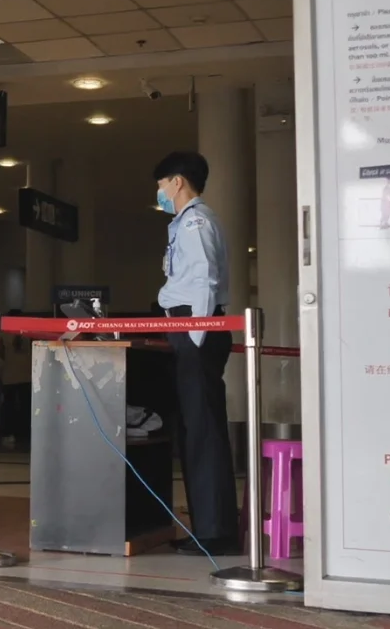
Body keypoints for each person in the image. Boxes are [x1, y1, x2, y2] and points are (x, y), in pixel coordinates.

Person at [154, 151, 241, 556]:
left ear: (177, 182)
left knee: (202, 429)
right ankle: (207, 526)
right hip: (189, 327)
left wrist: (196, 334)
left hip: (196, 328)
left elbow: (205, 278)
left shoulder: (195, 222)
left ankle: (215, 532)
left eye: (161, 185)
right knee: (195, 429)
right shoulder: (185, 222)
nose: (159, 193)